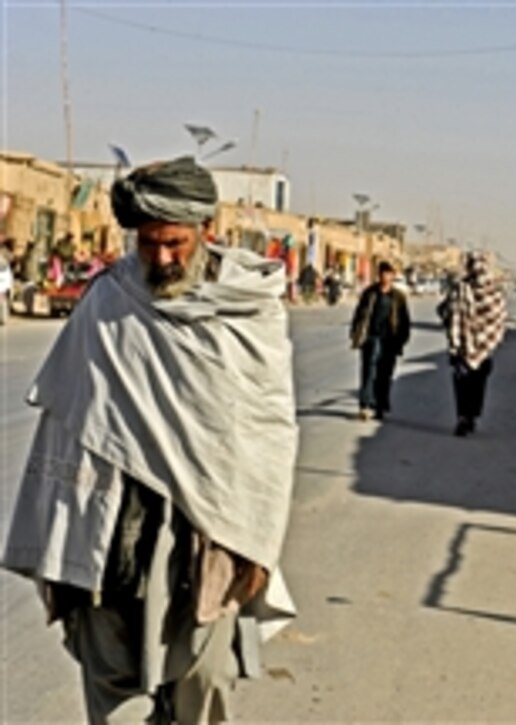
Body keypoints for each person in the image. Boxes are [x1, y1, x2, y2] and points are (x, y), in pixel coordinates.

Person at [2, 156, 297, 724]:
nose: (161, 258)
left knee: (204, 676)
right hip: (113, 517)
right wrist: (55, 530)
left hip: (207, 525)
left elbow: (268, 432)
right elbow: (68, 416)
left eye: (175, 244)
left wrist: (259, 538)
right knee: (107, 669)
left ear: (206, 231)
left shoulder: (247, 310)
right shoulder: (108, 299)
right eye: (149, 244)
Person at [443, 251, 506, 436]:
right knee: (475, 384)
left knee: (464, 383)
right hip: (481, 349)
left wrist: (455, 340)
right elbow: (500, 320)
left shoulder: (462, 288)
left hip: (463, 346)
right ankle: (468, 416)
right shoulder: (493, 291)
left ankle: (464, 416)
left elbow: (449, 313)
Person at [350, 261, 410, 421]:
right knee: (369, 371)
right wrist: (356, 334)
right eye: (382, 273)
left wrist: (401, 340)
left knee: (385, 374)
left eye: (388, 274)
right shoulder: (370, 293)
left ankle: (380, 405)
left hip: (390, 341)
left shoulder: (398, 297)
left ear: (392, 276)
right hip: (371, 337)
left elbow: (405, 321)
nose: (385, 277)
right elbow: (359, 315)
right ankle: (365, 405)